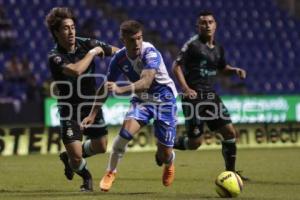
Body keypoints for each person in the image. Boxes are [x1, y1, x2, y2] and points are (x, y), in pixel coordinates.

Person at [81, 20, 178, 191]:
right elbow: (106, 87)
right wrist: (92, 114)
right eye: (132, 40)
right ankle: (111, 171)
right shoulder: (119, 59)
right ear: (123, 40)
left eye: (139, 38)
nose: (137, 43)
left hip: (165, 101)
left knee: (165, 154)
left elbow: (146, 82)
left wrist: (121, 89)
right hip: (142, 101)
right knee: (124, 134)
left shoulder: (150, 53)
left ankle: (169, 162)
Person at [45, 7, 119, 192]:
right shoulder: (54, 56)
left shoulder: (87, 43)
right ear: (56, 32)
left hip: (90, 104)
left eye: (73, 27)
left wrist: (129, 56)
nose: (71, 32)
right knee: (77, 158)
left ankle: (66, 156)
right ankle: (86, 176)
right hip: (69, 109)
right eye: (65, 28)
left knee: (101, 147)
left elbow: (117, 52)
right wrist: (93, 53)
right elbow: (76, 71)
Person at [171, 11, 249, 180]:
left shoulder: (218, 48)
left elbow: (222, 68)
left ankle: (231, 172)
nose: (207, 25)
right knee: (195, 143)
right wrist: (185, 88)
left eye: (210, 22)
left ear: (215, 25)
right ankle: (167, 144)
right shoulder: (192, 45)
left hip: (211, 96)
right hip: (194, 98)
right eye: (203, 22)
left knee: (229, 133)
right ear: (197, 27)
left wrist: (234, 70)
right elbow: (176, 66)